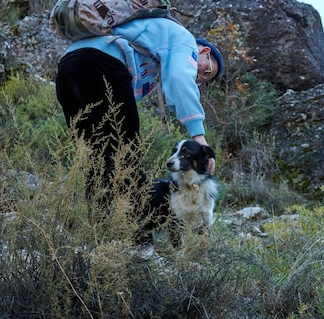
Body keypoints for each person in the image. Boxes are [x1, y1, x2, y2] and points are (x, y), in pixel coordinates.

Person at [55, 15, 223, 240]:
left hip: (68, 65)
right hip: (102, 62)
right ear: (204, 52)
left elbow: (174, 88)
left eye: (205, 79)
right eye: (206, 71)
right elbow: (180, 78)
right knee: (126, 158)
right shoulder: (186, 40)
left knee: (97, 158)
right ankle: (136, 243)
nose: (200, 77)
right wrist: (198, 136)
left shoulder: (156, 41)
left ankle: (101, 236)